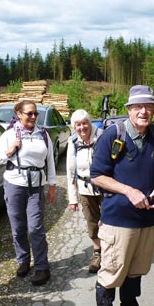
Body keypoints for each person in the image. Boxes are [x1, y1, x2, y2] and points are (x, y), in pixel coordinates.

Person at [90, 85, 154, 306]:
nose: (144, 111)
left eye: (149, 107)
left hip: (148, 219)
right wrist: (129, 191)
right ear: (129, 110)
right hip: (118, 219)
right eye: (138, 107)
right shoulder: (113, 135)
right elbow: (97, 175)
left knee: (135, 271)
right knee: (112, 271)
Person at [0, 100, 57, 286]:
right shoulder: (9, 134)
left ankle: (42, 267)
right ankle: (23, 260)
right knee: (18, 227)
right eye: (29, 113)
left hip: (36, 185)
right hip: (14, 184)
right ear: (19, 114)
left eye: (35, 113)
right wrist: (11, 150)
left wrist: (52, 185)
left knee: (36, 227)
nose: (33, 117)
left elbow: (50, 161)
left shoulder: (42, 134)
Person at [66, 109, 103, 273]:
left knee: (110, 220)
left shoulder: (102, 137)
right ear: (74, 127)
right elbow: (70, 171)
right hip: (85, 188)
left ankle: (112, 252)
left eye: (85, 123)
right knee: (92, 222)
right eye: (78, 124)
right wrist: (72, 198)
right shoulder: (73, 142)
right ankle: (98, 253)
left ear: (90, 123)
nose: (82, 127)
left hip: (105, 187)